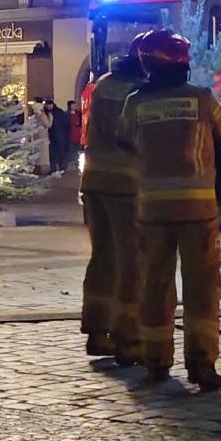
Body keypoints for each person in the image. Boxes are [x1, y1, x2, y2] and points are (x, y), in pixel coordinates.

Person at [120, 30, 221, 390]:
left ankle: (156, 360)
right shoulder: (201, 98)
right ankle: (202, 365)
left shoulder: (135, 103)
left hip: (152, 210)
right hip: (198, 210)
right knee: (203, 289)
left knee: (155, 286)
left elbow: (125, 141)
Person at [78, 50, 146, 364]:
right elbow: (133, 137)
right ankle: (127, 336)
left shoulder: (103, 84)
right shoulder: (137, 92)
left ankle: (96, 330)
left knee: (102, 258)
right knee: (131, 261)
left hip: (94, 182)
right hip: (125, 184)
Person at [45, 98, 70, 176]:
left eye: (50, 104)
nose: (49, 106)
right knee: (53, 153)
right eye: (48, 105)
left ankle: (61, 167)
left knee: (59, 152)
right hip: (54, 135)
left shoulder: (57, 112)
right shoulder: (51, 112)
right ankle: (55, 168)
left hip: (59, 134)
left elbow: (66, 122)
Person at [67, 99, 84, 168]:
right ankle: (70, 163)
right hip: (71, 134)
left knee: (77, 150)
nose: (74, 106)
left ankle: (76, 162)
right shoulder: (67, 114)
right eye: (73, 105)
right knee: (71, 150)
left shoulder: (79, 114)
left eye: (75, 105)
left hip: (78, 134)